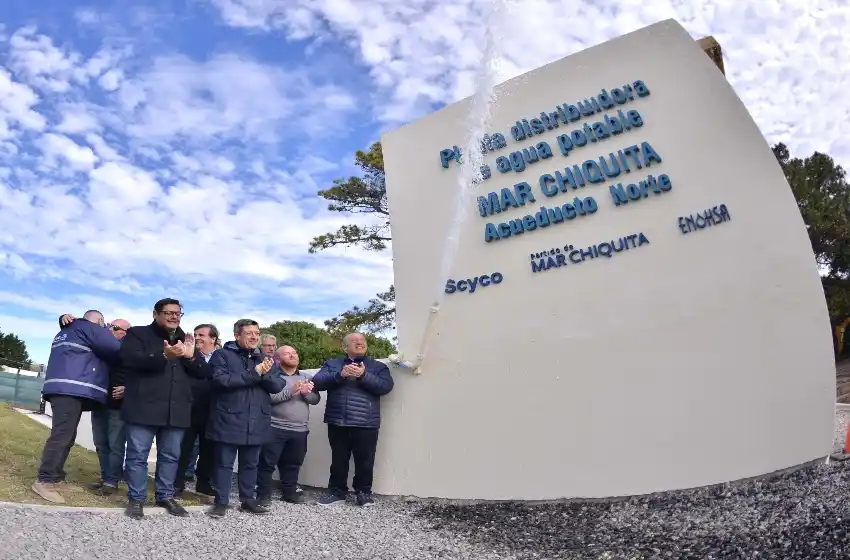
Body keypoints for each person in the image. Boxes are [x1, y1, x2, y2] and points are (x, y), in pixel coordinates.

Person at [120, 298, 208, 519]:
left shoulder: (186, 339)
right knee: (137, 456)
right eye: (168, 312)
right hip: (143, 408)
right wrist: (162, 356)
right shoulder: (138, 334)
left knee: (170, 456)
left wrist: (190, 356)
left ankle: (165, 496)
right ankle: (136, 499)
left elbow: (203, 373)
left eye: (177, 313)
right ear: (155, 314)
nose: (174, 317)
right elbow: (130, 360)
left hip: (176, 410)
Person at [33, 310, 121, 504]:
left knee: (67, 435)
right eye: (104, 323)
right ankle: (44, 480)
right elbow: (117, 351)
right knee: (61, 435)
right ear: (98, 320)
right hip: (70, 388)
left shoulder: (68, 329)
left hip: (64, 387)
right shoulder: (90, 328)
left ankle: (56, 477)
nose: (106, 326)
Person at [206, 319, 284, 518]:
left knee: (250, 464)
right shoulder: (222, 355)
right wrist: (255, 373)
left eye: (257, 333)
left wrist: (263, 374)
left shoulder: (265, 358)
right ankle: (221, 502)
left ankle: (248, 500)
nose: (254, 337)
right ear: (237, 335)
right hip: (228, 419)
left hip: (257, 420)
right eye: (249, 333)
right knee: (223, 464)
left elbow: (278, 385)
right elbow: (221, 381)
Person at [311, 333, 394, 507]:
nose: (359, 343)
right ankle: (336, 492)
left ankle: (363, 493)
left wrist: (364, 375)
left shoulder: (378, 366)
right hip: (337, 421)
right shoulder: (333, 364)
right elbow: (317, 382)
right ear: (344, 347)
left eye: (362, 340)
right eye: (354, 341)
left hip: (366, 422)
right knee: (338, 460)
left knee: (365, 461)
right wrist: (339, 375)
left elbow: (386, 387)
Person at [256, 345, 320, 506]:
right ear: (277, 359)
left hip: (300, 429)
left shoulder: (306, 377)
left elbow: (315, 400)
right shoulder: (272, 376)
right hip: (274, 427)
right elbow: (268, 399)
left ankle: (289, 493)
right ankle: (263, 495)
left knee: (293, 463)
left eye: (294, 352)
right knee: (267, 464)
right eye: (287, 353)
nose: (293, 355)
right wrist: (291, 391)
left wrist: (306, 393)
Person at [175, 324, 219, 499]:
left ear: (213, 339)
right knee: (183, 448)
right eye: (195, 334)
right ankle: (176, 484)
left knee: (209, 450)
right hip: (190, 408)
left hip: (214, 410)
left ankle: (203, 484)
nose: (197, 337)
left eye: (201, 335)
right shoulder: (187, 354)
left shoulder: (222, 357)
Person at [88, 319, 132, 495]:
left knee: (115, 444)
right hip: (98, 401)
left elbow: (141, 375)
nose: (109, 330)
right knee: (100, 443)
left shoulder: (131, 351)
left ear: (126, 332)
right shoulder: (103, 349)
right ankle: (106, 475)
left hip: (117, 406)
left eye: (113, 327)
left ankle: (111, 481)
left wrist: (128, 389)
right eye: (108, 326)